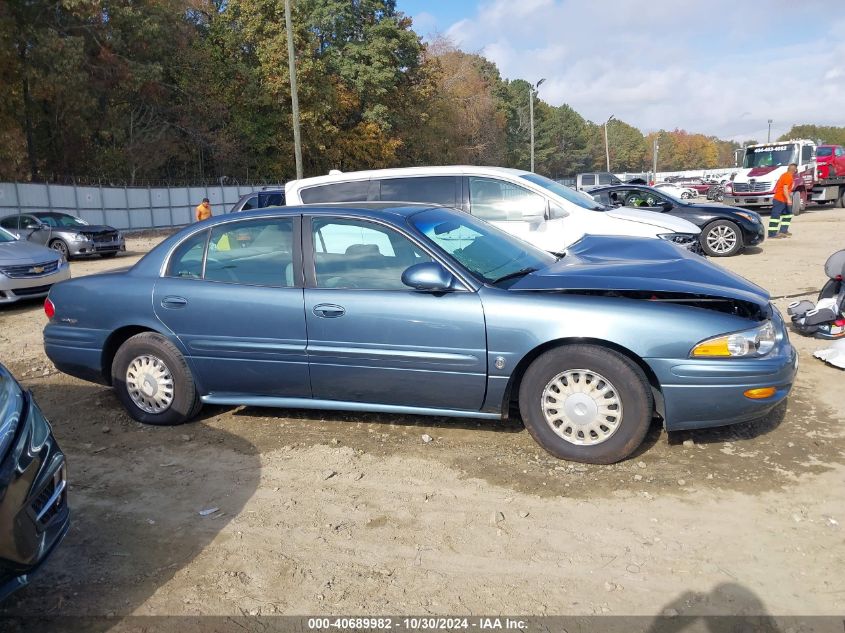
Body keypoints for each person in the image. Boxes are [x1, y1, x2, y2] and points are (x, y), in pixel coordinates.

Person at [769, 163, 797, 239]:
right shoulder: (788, 177)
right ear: (794, 170)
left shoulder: (784, 175)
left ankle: (783, 231)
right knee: (775, 216)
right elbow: (785, 189)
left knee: (788, 214)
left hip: (783, 199)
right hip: (780, 199)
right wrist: (789, 199)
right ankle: (772, 234)